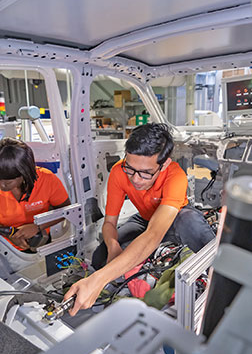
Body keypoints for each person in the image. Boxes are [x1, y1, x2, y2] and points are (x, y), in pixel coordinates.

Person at [64, 123, 215, 314]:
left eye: (145, 173)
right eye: (131, 168)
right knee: (100, 256)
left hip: (175, 218)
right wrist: (113, 247)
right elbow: (109, 223)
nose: (135, 179)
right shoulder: (119, 172)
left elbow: (153, 235)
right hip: (144, 219)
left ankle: (220, 275)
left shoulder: (175, 176)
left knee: (190, 223)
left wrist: (99, 279)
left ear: (165, 163)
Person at [0, 137, 70, 250]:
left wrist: (38, 227)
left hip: (39, 240)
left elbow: (65, 210)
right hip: (4, 245)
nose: (1, 186)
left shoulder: (47, 180)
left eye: (8, 182)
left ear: (24, 174)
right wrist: (7, 233)